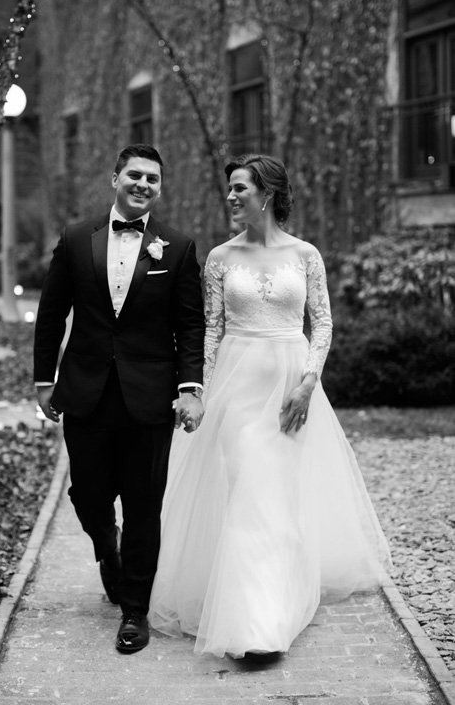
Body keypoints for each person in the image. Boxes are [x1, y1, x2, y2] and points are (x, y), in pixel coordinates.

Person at [148, 153, 391, 658]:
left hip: (291, 387)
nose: (231, 196)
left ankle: (275, 601)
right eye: (231, 188)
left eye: (240, 188)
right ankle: (255, 629)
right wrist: (197, 391)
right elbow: (211, 330)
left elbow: (320, 322)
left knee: (277, 495)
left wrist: (308, 383)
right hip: (235, 390)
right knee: (250, 490)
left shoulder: (306, 255)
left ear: (269, 194)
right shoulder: (218, 258)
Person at [33, 144, 205, 654]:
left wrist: (190, 388)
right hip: (85, 391)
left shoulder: (177, 246)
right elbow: (50, 313)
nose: (143, 184)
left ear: (159, 187)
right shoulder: (74, 238)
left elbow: (189, 325)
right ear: (115, 178)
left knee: (144, 504)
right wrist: (45, 379)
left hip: (150, 399)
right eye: (135, 175)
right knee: (87, 494)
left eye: (153, 178)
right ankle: (107, 549)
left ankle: (135, 610)